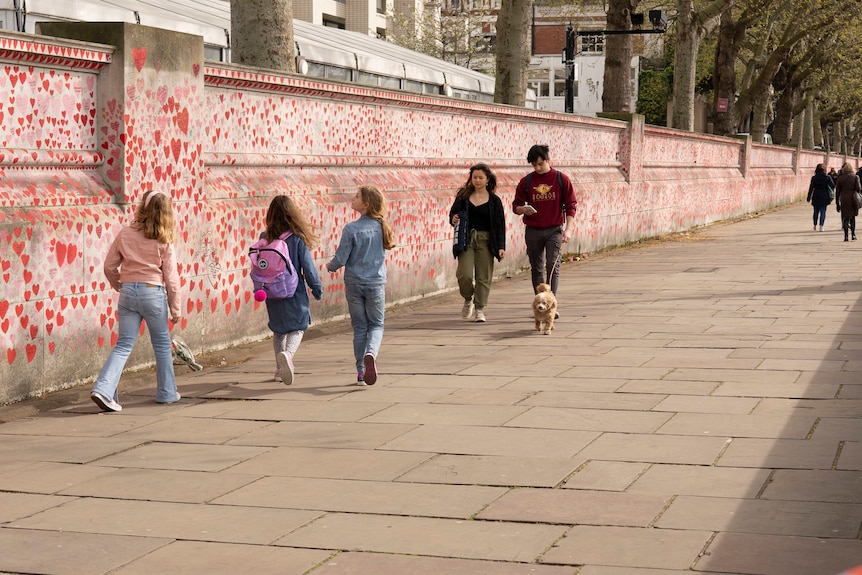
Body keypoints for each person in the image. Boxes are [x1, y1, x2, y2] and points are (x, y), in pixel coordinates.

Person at [90, 190, 182, 412]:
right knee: (161, 344)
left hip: (128, 293)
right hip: (153, 293)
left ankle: (103, 389)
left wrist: (120, 285)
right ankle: (167, 392)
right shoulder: (164, 238)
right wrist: (175, 308)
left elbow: (108, 266)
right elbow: (171, 278)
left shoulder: (125, 234)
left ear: (143, 208)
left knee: (123, 345)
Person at [327, 186, 395, 385]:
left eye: (357, 197)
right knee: (376, 325)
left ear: (365, 205)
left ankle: (360, 372)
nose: (352, 198)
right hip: (375, 283)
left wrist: (331, 267)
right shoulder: (382, 226)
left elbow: (341, 257)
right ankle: (371, 353)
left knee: (359, 327)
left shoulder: (351, 229)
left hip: (354, 283)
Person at [259, 195, 323, 385]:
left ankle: (279, 371)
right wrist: (316, 289)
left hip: (271, 291)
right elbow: (308, 268)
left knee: (279, 330)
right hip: (294, 291)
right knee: (298, 327)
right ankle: (288, 355)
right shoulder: (296, 239)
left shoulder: (265, 237)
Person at [512, 144, 577, 315]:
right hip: (533, 230)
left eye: (540, 164)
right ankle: (541, 302)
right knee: (537, 267)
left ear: (548, 160)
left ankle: (551, 304)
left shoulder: (561, 180)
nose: (538, 168)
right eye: (534, 165)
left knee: (552, 265)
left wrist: (568, 229)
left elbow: (571, 206)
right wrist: (522, 210)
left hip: (554, 230)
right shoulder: (526, 182)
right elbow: (516, 206)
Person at [448, 163, 506, 323]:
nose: (478, 180)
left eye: (481, 177)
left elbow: (500, 224)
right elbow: (453, 213)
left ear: (487, 180)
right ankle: (468, 298)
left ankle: (479, 308)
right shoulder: (463, 196)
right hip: (467, 239)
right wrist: (453, 219)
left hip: (487, 241)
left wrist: (501, 246)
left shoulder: (494, 201)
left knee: (483, 276)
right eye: (475, 177)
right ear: (471, 179)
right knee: (464, 274)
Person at [835, 162, 861, 242]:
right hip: (853, 199)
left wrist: (837, 204)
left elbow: (837, 192)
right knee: (852, 218)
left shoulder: (840, 178)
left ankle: (846, 236)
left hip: (844, 199)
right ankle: (853, 234)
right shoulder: (855, 177)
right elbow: (858, 188)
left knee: (845, 218)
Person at [807, 163, 834, 231]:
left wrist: (809, 197)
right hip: (824, 195)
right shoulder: (827, 177)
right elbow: (833, 185)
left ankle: (815, 225)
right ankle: (821, 226)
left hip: (816, 195)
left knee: (815, 211)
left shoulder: (814, 178)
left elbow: (811, 188)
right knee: (823, 211)